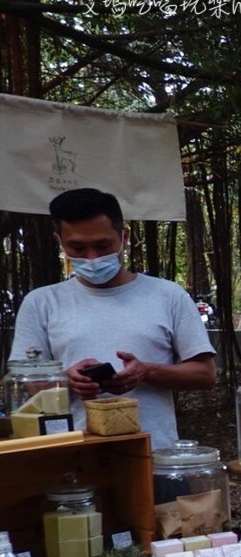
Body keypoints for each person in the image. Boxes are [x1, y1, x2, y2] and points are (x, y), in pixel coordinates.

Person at [11, 188, 216, 449]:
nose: (92, 258)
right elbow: (21, 385)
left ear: (124, 236)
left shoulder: (168, 296)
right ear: (59, 241)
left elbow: (204, 374)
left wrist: (147, 371)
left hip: (153, 454)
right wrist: (65, 381)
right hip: (70, 454)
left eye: (102, 245)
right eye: (77, 247)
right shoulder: (41, 303)